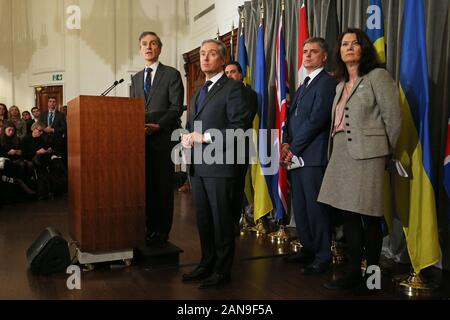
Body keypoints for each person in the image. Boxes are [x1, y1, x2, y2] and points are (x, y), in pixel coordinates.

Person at [317, 28, 402, 294]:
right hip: (341, 152)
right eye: (344, 44)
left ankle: (372, 278)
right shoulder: (340, 84)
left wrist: (386, 153)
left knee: (370, 216)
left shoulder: (378, 76)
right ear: (338, 52)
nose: (349, 47)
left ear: (364, 48)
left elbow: (394, 119)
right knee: (349, 216)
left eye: (355, 43)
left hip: (369, 154)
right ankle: (353, 272)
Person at [181, 39, 249, 289]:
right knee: (205, 220)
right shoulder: (198, 91)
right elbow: (192, 126)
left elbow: (239, 127)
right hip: (198, 166)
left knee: (221, 221)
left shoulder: (233, 88)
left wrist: (205, 137)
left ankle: (222, 270)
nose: (205, 58)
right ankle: (207, 263)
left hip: (220, 166)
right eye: (201, 54)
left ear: (222, 59)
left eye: (211, 54)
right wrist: (187, 137)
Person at [281, 37, 336, 274]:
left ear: (324, 57)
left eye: (313, 52)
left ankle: (323, 256)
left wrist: (294, 147)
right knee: (300, 207)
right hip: (296, 155)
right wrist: (285, 143)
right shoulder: (304, 84)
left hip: (313, 157)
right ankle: (308, 248)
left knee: (316, 209)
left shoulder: (326, 82)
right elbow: (293, 119)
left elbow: (316, 120)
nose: (307, 55)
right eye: (305, 51)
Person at [130, 31, 184, 246]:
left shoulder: (171, 74)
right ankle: (148, 228)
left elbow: (176, 107)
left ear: (160, 49)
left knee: (162, 188)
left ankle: (162, 231)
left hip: (163, 140)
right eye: (144, 44)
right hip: (140, 142)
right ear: (140, 49)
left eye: (153, 44)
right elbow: (132, 108)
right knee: (146, 187)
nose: (148, 47)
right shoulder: (134, 79)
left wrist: (158, 126)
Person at [224, 61, 257, 231]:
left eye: (233, 72)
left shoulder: (249, 94)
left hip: (240, 147)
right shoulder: (221, 93)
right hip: (221, 148)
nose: (230, 75)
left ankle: (233, 224)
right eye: (227, 72)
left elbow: (243, 119)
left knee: (236, 187)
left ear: (241, 75)